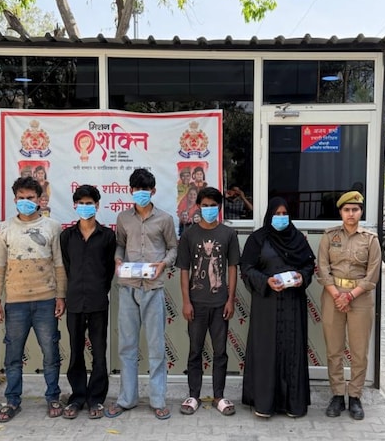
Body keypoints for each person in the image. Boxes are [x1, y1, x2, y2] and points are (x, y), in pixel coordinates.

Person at [0, 176, 67, 422]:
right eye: (21, 198)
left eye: (30, 197)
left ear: (40, 199)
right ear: (14, 199)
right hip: (15, 303)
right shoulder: (3, 229)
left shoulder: (53, 227)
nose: (25, 201)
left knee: (50, 353)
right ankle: (12, 400)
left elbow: (59, 265)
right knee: (13, 356)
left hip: (46, 301)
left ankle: (53, 397)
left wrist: (60, 296)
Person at [104, 168, 178, 420]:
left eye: (145, 190)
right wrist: (117, 259)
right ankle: (127, 399)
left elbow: (173, 248)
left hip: (153, 287)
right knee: (127, 346)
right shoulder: (123, 218)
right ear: (130, 191)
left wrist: (163, 264)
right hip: (128, 286)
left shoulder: (165, 219)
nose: (140, 193)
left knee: (156, 346)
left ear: (153, 191)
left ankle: (158, 400)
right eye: (136, 190)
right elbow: (120, 244)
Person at [240, 197, 315, 418]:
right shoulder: (257, 239)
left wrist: (302, 277)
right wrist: (266, 281)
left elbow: (308, 264)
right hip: (267, 305)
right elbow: (246, 268)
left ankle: (293, 404)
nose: (281, 218)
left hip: (293, 304)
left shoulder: (298, 239)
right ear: (269, 215)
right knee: (266, 351)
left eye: (285, 214)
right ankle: (264, 403)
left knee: (293, 350)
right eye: (277, 214)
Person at [316, 191, 381, 420]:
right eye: (346, 210)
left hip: (360, 297)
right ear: (341, 212)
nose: (351, 213)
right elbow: (323, 268)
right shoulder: (329, 236)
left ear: (361, 212)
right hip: (332, 295)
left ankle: (354, 395)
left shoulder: (370, 239)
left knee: (359, 350)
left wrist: (350, 296)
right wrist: (337, 295)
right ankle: (337, 394)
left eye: (355, 209)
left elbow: (373, 273)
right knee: (334, 349)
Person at [176, 187, 240, 416]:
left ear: (219, 207)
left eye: (213, 205)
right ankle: (193, 395)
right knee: (195, 350)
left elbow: (232, 268)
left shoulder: (228, 234)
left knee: (220, 351)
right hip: (196, 303)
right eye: (205, 205)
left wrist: (230, 299)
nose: (209, 209)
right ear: (198, 207)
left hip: (220, 303)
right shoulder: (189, 235)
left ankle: (218, 396)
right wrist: (186, 302)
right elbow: (184, 270)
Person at [60, 185, 116, 420]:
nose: (85, 207)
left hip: (98, 302)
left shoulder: (108, 236)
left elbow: (109, 269)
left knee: (99, 352)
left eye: (89, 203)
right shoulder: (66, 236)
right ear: (75, 206)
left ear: (97, 205)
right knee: (76, 351)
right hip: (74, 301)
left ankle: (96, 399)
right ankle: (77, 397)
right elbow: (66, 267)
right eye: (81, 203)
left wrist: (100, 289)